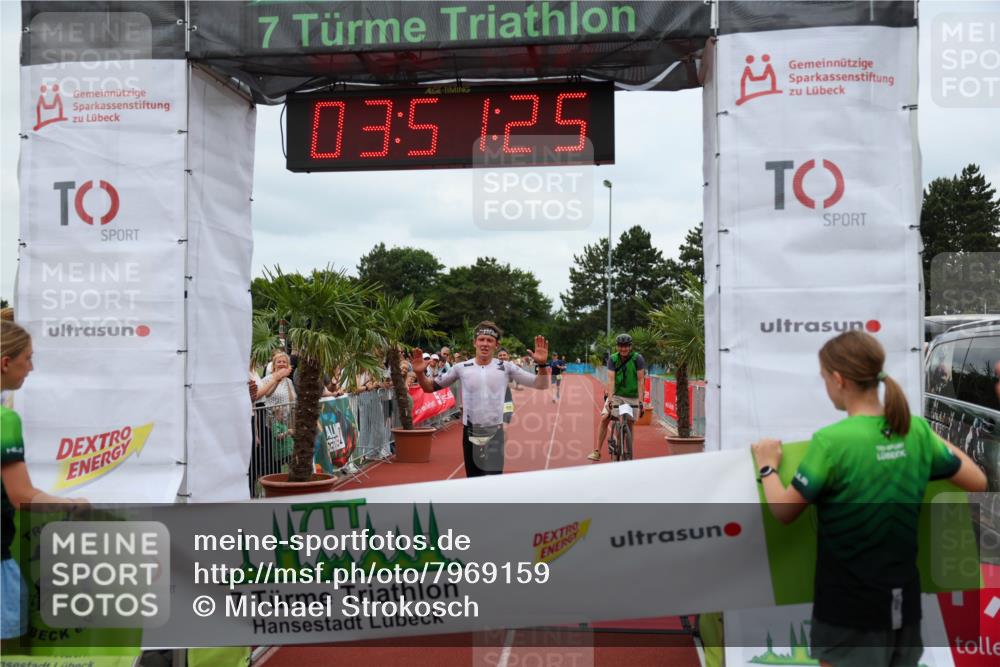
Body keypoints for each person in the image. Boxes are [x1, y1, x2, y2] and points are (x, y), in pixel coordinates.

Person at [752, 331, 987, 667]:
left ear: (838, 379)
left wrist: (766, 465)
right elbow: (977, 480)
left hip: (847, 608)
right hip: (903, 602)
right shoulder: (916, 432)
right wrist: (922, 433)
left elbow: (784, 510)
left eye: (823, 379)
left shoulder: (832, 442)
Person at [2, 321, 87, 642]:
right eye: (27, 358)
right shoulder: (4, 419)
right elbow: (21, 494)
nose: (31, 367)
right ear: (5, 363)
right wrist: (71, 505)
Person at [412, 321, 550, 477]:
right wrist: (419, 374)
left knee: (493, 481)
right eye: (481, 339)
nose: (485, 344)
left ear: (496, 345)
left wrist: (542, 365)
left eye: (490, 340)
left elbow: (541, 384)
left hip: (494, 433)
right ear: (474, 342)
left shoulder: (506, 367)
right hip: (470, 432)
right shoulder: (461, 368)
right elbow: (429, 387)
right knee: (473, 481)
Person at [588, 334, 646, 461]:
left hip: (633, 396)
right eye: (620, 346)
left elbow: (641, 381)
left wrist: (642, 402)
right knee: (605, 417)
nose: (623, 349)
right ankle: (597, 451)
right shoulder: (613, 359)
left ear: (630, 346)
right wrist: (609, 400)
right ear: (617, 346)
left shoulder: (638, 359)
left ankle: (628, 450)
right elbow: (611, 381)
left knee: (629, 423)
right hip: (617, 394)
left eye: (626, 346)